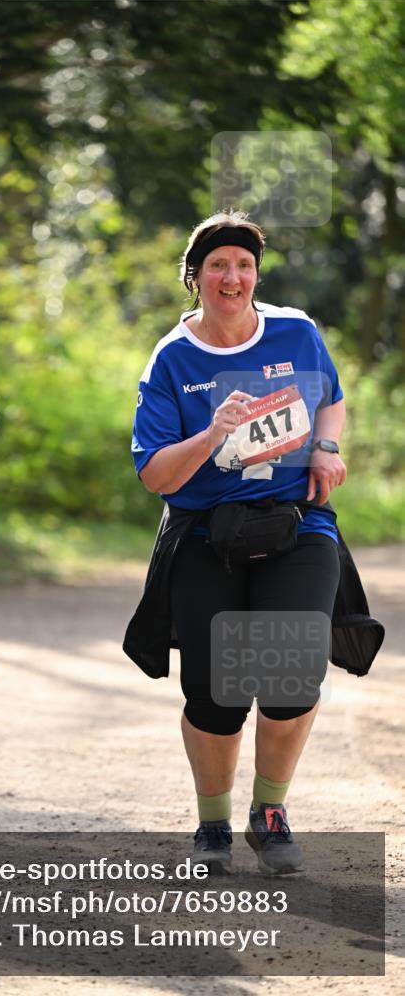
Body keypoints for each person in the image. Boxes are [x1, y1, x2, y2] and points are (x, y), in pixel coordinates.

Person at [127, 210, 352, 875]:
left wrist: (325, 447)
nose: (232, 277)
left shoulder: (295, 332)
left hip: (296, 522)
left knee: (290, 673)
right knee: (216, 697)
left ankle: (271, 812)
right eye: (218, 266)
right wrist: (211, 434)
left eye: (244, 265)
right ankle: (213, 825)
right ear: (194, 278)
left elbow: (331, 398)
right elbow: (153, 475)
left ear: (256, 274)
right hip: (203, 535)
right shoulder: (173, 358)